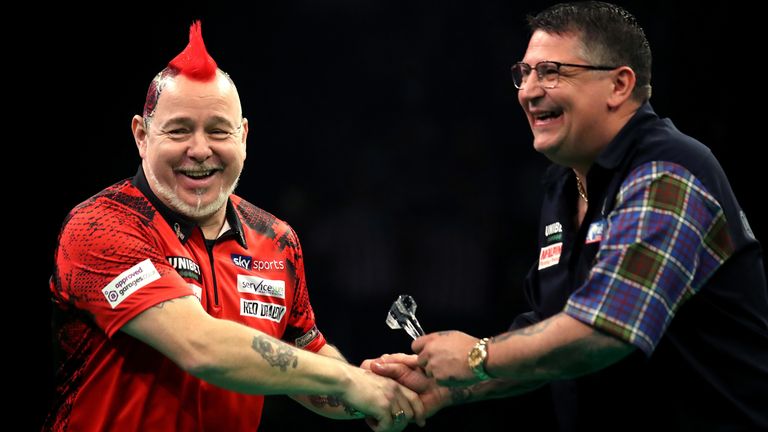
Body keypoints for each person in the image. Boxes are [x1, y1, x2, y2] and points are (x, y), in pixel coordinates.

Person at [368, 2, 768, 430]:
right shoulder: (563, 185)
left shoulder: (667, 172)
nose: (528, 90)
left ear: (619, 85)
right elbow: (550, 331)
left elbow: (607, 329)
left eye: (551, 72)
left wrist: (477, 357)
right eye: (524, 73)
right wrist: (447, 388)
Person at [45, 21, 425, 432]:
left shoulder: (276, 240)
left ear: (243, 137)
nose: (200, 150)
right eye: (178, 130)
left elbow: (307, 367)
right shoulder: (101, 226)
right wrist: (348, 381)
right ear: (141, 136)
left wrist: (375, 389)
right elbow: (202, 347)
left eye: (218, 130)